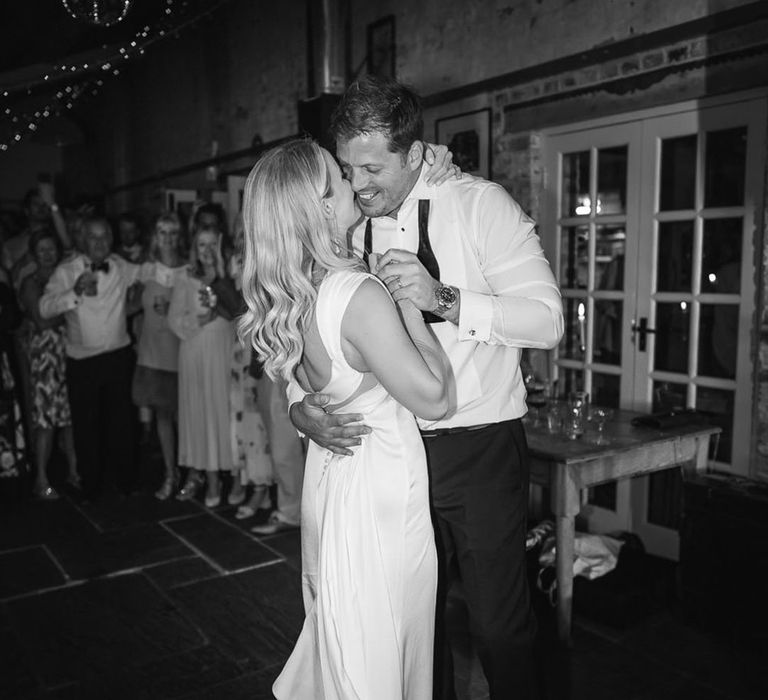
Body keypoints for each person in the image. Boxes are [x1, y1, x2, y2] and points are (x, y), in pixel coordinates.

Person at [288, 75, 564, 700]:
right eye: (347, 168)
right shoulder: (346, 223)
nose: (358, 186)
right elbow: (308, 322)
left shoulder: (480, 205)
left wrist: (443, 298)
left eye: (372, 168)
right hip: (387, 456)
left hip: (479, 449)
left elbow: (547, 322)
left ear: (415, 154)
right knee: (413, 625)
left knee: (499, 627)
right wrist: (298, 404)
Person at [240, 139, 453, 698]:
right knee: (389, 639)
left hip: (333, 485)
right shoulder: (357, 294)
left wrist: (295, 408)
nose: (352, 180)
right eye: (338, 174)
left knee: (348, 634)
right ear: (319, 205)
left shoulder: (294, 293)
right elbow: (433, 397)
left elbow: (296, 377)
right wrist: (411, 304)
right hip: (381, 492)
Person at [39, 216, 143, 503]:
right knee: (86, 427)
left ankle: (126, 481)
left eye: (104, 237)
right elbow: (44, 307)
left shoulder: (120, 266)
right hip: (82, 362)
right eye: (93, 238)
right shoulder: (66, 271)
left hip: (118, 356)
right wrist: (73, 293)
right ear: (83, 241)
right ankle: (91, 485)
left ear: (111, 240)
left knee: (122, 423)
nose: (99, 243)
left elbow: (150, 273)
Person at [169, 225, 243, 507]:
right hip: (195, 351)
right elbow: (175, 320)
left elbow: (239, 311)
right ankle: (211, 479)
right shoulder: (186, 277)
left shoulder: (229, 272)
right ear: (194, 247)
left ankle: (237, 477)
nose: (207, 250)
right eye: (202, 245)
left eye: (213, 244)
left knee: (228, 413)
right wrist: (200, 320)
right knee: (203, 415)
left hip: (225, 350)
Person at [19, 230, 79, 499]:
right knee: (47, 419)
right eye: (41, 250)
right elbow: (42, 322)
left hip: (68, 349)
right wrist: (69, 309)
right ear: (33, 255)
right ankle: (41, 478)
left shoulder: (64, 276)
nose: (47, 254)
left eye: (51, 249)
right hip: (45, 355)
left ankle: (75, 471)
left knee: (70, 416)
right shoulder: (31, 283)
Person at [132, 212, 186, 500]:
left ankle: (192, 472)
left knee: (184, 417)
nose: (167, 238)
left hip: (181, 350)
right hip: (152, 352)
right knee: (163, 416)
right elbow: (131, 305)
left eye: (172, 232)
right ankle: (170, 473)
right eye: (162, 232)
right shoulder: (146, 269)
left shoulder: (189, 269)